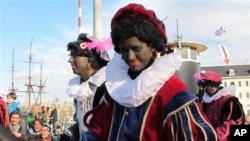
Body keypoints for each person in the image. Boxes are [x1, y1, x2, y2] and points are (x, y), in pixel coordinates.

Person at [81, 3, 217, 141]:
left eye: (136, 48)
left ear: (152, 46)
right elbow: (98, 130)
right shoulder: (116, 89)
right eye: (124, 50)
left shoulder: (174, 94)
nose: (130, 56)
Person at [65, 33, 112, 141]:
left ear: (90, 61)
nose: (70, 60)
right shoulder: (79, 90)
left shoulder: (105, 88)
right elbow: (81, 123)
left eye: (75, 56)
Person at [194, 70, 245, 141]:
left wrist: (216, 135)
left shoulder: (229, 100)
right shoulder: (205, 101)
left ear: (216, 85)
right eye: (204, 86)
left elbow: (234, 122)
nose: (206, 89)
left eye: (209, 86)